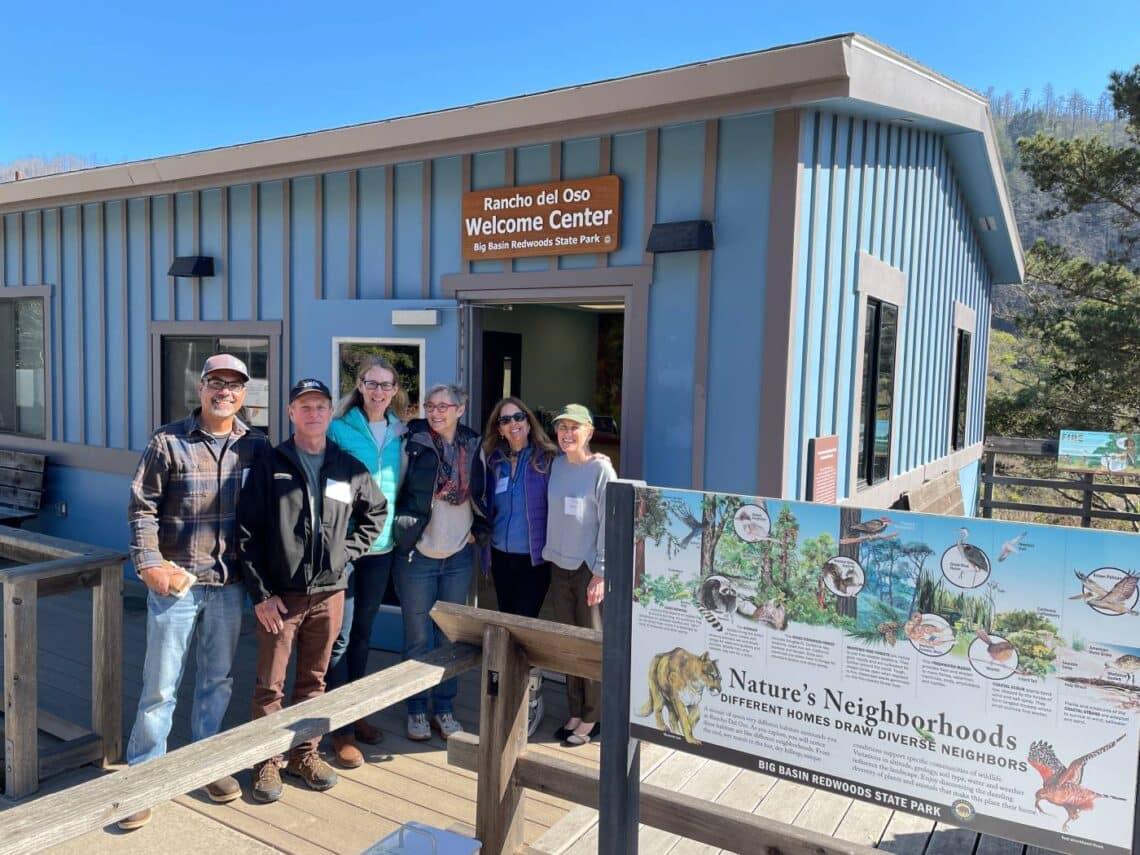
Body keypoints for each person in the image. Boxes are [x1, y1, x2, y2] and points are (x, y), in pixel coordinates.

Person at [119, 354, 271, 831]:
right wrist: (148, 566)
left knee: (217, 680)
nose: (224, 392)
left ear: (245, 395)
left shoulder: (258, 446)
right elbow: (142, 508)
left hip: (228, 585)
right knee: (160, 686)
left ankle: (205, 764)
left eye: (234, 385)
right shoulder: (168, 441)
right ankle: (143, 777)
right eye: (215, 383)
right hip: (177, 583)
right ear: (200, 388)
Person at [238, 378, 387, 803]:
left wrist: (347, 553)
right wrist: (262, 594)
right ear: (291, 413)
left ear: (329, 412)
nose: (314, 413)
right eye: (305, 406)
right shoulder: (272, 463)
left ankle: (305, 753)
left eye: (321, 406)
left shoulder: (347, 464)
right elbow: (246, 532)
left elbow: (376, 511)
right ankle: (266, 759)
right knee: (271, 684)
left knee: (314, 680)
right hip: (281, 597)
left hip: (330, 593)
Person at [324, 356, 408, 768]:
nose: (378, 391)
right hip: (348, 548)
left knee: (363, 634)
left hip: (385, 547)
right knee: (338, 637)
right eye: (372, 383)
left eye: (386, 385)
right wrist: (343, 529)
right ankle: (337, 728)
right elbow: (330, 485)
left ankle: (354, 714)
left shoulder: (401, 431)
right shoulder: (339, 429)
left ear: (395, 391)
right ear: (360, 385)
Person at [392, 384, 486, 741]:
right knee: (417, 638)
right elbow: (394, 486)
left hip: (459, 555)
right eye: (430, 406)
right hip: (418, 554)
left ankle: (444, 708)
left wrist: (480, 526)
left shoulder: (473, 444)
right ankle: (416, 710)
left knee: (449, 637)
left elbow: (484, 489)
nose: (436, 412)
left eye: (444, 406)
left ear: (460, 409)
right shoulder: (412, 440)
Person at [480, 397, 558, 737]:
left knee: (524, 628)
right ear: (498, 428)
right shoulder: (492, 460)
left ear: (529, 422)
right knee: (508, 626)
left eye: (519, 417)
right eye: (505, 419)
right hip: (500, 555)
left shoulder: (548, 459)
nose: (513, 424)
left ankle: (531, 698)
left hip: (533, 558)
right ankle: (511, 696)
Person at [542, 404, 617, 747]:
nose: (567, 434)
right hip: (559, 566)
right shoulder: (556, 465)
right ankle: (574, 710)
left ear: (588, 432)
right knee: (567, 645)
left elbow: (610, 524)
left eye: (574, 428)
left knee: (590, 646)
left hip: (588, 570)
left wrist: (601, 573)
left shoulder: (601, 471)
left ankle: (592, 716)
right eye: (562, 428)